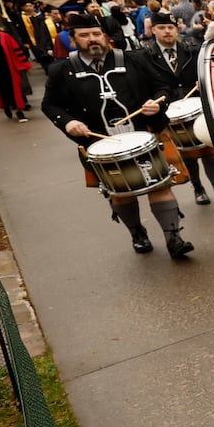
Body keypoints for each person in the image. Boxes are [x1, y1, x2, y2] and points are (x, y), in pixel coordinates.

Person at [41, 13, 194, 257]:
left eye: (96, 34)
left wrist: (157, 102)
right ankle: (137, 233)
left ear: (105, 36)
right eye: (84, 35)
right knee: (120, 194)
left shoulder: (135, 59)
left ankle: (174, 237)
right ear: (73, 39)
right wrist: (68, 122)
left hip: (145, 133)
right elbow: (50, 105)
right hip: (99, 142)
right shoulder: (62, 70)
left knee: (160, 185)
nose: (92, 39)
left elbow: (162, 87)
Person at [135, 11, 214, 209]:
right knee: (186, 155)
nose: (167, 31)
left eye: (170, 27)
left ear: (176, 29)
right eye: (162, 28)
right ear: (153, 30)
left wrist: (202, 80)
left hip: (196, 108)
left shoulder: (192, 49)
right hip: (166, 113)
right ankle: (198, 189)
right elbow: (142, 86)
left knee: (208, 152)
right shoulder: (144, 57)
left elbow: (206, 71)